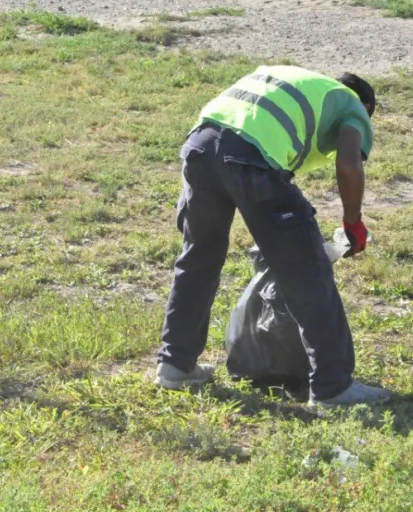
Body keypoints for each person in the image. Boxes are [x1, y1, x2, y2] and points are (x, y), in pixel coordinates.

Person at [154, 65, 392, 408]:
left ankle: (175, 366)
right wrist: (353, 222)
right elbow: (349, 163)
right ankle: (333, 387)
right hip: (249, 159)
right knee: (307, 270)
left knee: (198, 259)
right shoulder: (352, 105)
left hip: (199, 147)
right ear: (366, 108)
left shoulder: (296, 82)